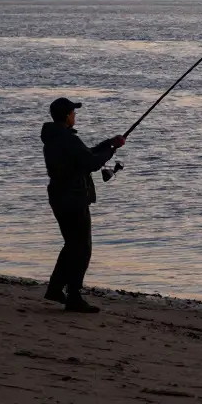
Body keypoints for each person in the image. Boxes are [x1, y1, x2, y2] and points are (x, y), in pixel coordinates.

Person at [40, 97, 124, 313]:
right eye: (73, 113)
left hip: (60, 196)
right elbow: (92, 163)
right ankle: (74, 296)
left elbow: (85, 155)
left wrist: (108, 144)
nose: (75, 116)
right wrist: (112, 149)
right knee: (82, 248)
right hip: (73, 198)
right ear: (67, 116)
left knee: (72, 245)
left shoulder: (55, 137)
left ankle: (55, 289)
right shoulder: (67, 139)